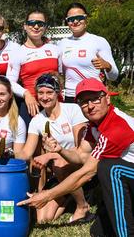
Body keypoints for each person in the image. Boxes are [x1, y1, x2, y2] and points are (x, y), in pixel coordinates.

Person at [17, 78, 134, 237]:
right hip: (129, 175)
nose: (90, 106)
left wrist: (47, 195)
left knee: (110, 169)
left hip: (124, 174)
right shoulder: (95, 124)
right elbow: (81, 155)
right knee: (97, 232)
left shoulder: (117, 126)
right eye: (84, 102)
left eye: (95, 99)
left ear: (107, 98)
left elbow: (87, 172)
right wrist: (60, 150)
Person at [16, 73, 91, 223]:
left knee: (59, 162)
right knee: (43, 219)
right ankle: (69, 197)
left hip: (81, 165)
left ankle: (82, 206)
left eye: (49, 92)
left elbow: (81, 150)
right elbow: (25, 153)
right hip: (59, 172)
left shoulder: (72, 110)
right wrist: (10, 152)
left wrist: (50, 155)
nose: (44, 97)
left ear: (58, 92)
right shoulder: (37, 120)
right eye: (40, 93)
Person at [7, 9, 59, 126]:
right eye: (31, 23)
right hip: (32, 105)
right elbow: (9, 82)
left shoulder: (54, 49)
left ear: (45, 27)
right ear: (25, 26)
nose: (36, 26)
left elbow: (61, 75)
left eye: (40, 24)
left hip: (55, 103)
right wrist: (26, 94)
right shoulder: (17, 53)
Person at [58, 2, 118, 103]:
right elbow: (59, 73)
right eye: (71, 19)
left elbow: (114, 76)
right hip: (70, 96)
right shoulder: (61, 44)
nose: (75, 21)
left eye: (80, 17)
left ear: (86, 19)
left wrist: (107, 66)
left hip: (93, 95)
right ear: (67, 22)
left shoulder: (99, 41)